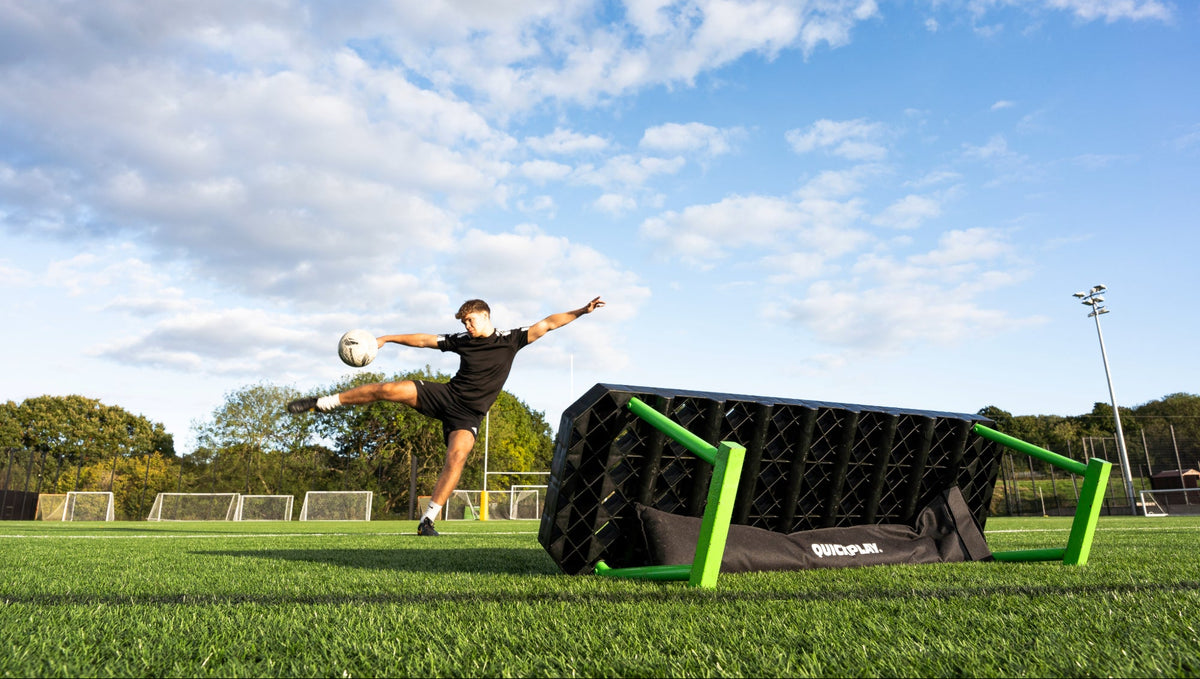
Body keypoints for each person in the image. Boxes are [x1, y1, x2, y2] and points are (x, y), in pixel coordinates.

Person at [286, 296, 605, 536]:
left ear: (486, 315)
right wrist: (386, 338)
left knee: (457, 456)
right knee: (390, 389)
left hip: (469, 414)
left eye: (471, 320)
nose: (467, 326)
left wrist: (581, 311)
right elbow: (425, 340)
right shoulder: (462, 341)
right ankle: (323, 402)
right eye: (464, 322)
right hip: (446, 396)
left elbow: (548, 323)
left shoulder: (511, 339)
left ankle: (428, 520)